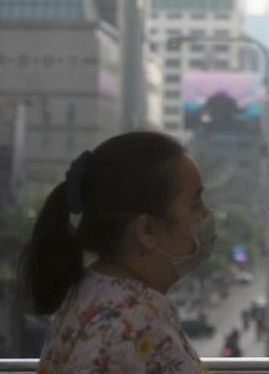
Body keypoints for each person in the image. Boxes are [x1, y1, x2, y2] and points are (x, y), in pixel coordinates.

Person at [18, 132, 215, 373]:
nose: (207, 215)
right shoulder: (129, 323)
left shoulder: (99, 293)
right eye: (196, 203)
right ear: (148, 230)